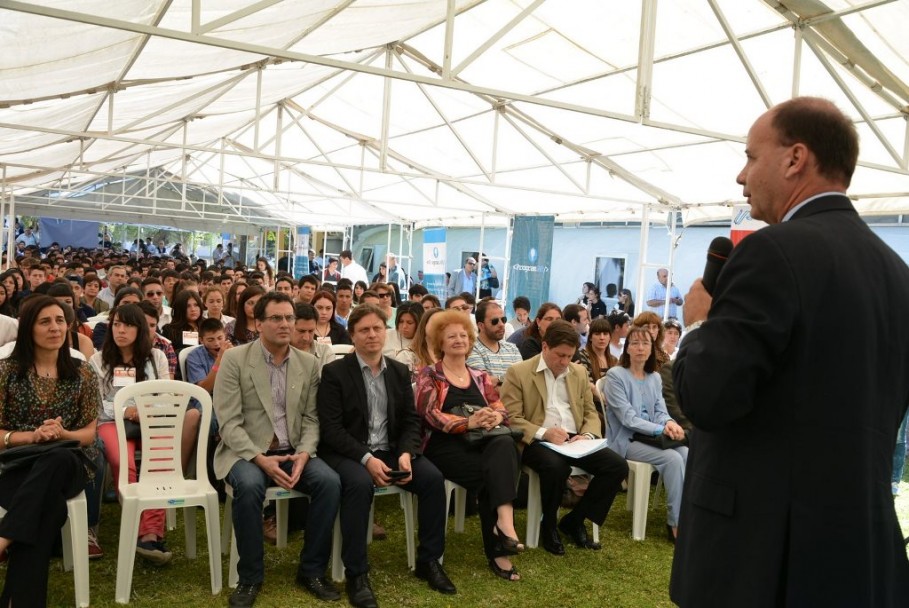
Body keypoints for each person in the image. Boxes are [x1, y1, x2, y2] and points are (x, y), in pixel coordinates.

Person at [670, 97, 909, 606]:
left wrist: (698, 326)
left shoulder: (771, 250)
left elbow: (708, 397)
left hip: (761, 555)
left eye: (752, 157)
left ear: (795, 158)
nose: (741, 175)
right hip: (856, 548)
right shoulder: (897, 274)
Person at [317, 304, 456, 607]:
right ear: (352, 336)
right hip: (350, 453)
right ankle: (357, 573)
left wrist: (406, 454)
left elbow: (410, 421)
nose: (372, 335)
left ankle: (429, 562)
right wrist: (366, 459)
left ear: (385, 332)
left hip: (392, 450)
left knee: (432, 478)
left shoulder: (398, 371)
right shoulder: (334, 373)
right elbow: (331, 430)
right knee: (359, 485)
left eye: (377, 328)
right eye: (364, 330)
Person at [213, 292, 342, 608]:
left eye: (289, 318)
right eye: (276, 318)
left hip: (293, 450)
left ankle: (311, 570)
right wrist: (260, 459)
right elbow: (228, 423)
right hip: (246, 451)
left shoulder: (308, 363)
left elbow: (312, 419)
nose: (285, 324)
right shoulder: (235, 359)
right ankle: (250, 577)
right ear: (258, 323)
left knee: (329, 482)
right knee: (250, 483)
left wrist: (305, 453)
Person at [0, 296, 100, 607]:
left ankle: (4, 538)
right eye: (45, 321)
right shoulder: (6, 372)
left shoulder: (82, 373)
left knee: (57, 455)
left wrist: (61, 434)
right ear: (29, 328)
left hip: (68, 464)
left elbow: (89, 433)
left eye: (60, 320)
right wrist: (32, 436)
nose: (55, 328)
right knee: (49, 509)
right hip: (15, 466)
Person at [500, 320, 628, 556]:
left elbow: (590, 411)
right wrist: (544, 432)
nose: (564, 362)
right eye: (560, 355)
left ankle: (575, 520)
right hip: (537, 438)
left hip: (574, 438)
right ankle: (548, 524)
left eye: (569, 356)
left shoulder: (577, 371)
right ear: (545, 347)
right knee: (556, 468)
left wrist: (587, 435)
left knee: (617, 466)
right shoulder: (519, 372)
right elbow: (512, 418)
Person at [414, 310, 523, 581]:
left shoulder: (479, 375)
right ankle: (501, 547)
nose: (459, 340)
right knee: (493, 474)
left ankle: (504, 526)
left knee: (503, 444)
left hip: (480, 443)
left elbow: (501, 409)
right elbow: (429, 414)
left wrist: (494, 416)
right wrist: (470, 422)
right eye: (451, 336)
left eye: (463, 335)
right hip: (443, 447)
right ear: (440, 342)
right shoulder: (430, 374)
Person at [90, 303, 177, 564]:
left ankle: (150, 533)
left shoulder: (156, 358)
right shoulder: (98, 359)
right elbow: (96, 402)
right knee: (122, 461)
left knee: (160, 461)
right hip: (111, 421)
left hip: (151, 420)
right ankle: (132, 524)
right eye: (116, 324)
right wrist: (126, 411)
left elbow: (168, 396)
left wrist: (145, 410)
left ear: (140, 329)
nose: (121, 330)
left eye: (127, 325)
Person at [604, 326, 687, 542]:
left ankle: (688, 517)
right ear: (627, 349)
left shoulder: (654, 378)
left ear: (652, 349)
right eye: (635, 343)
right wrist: (662, 428)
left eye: (645, 343)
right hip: (625, 440)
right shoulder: (616, 375)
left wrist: (669, 423)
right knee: (673, 459)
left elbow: (660, 411)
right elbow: (628, 419)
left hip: (651, 438)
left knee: (686, 452)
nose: (640, 348)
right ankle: (675, 523)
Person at [466, 299, 522, 387]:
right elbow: (483, 383)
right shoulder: (471, 348)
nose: (501, 324)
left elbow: (522, 379)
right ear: (481, 325)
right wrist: (509, 380)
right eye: (495, 321)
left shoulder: (512, 348)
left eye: (503, 319)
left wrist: (498, 380)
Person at [575, 318, 617, 427]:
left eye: (605, 333)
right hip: (592, 406)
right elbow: (590, 386)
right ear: (590, 337)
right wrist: (608, 402)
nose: (602, 338)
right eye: (597, 334)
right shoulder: (582, 355)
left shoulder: (614, 360)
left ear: (610, 337)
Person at [291, 303, 334, 372]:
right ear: (290, 327)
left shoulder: (325, 353)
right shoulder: (279, 352)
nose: (306, 337)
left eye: (311, 331)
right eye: (301, 331)